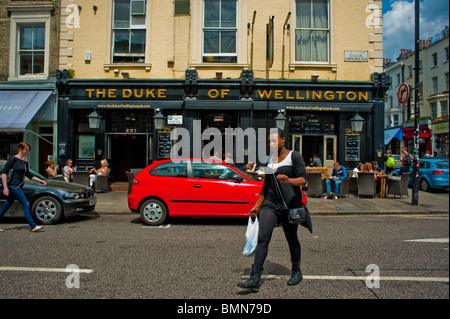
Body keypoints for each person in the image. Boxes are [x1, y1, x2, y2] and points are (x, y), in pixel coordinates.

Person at [237, 129, 308, 292]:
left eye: (274, 141)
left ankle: (296, 271)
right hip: (270, 204)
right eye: (269, 141)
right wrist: (257, 205)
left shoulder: (294, 156)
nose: (271, 144)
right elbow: (266, 186)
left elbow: (303, 179)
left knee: (291, 238)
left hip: (289, 204)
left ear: (283, 140)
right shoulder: (270, 160)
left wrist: (289, 180)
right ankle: (255, 278)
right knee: (262, 238)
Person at [0, 142, 46, 232]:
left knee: (7, 204)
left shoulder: (25, 160)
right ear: (20, 149)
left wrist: (40, 180)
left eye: (28, 150)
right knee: (26, 203)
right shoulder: (13, 159)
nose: (27, 152)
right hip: (13, 185)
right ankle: (33, 226)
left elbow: (28, 174)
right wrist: (5, 187)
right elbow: (4, 172)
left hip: (20, 185)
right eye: (26, 150)